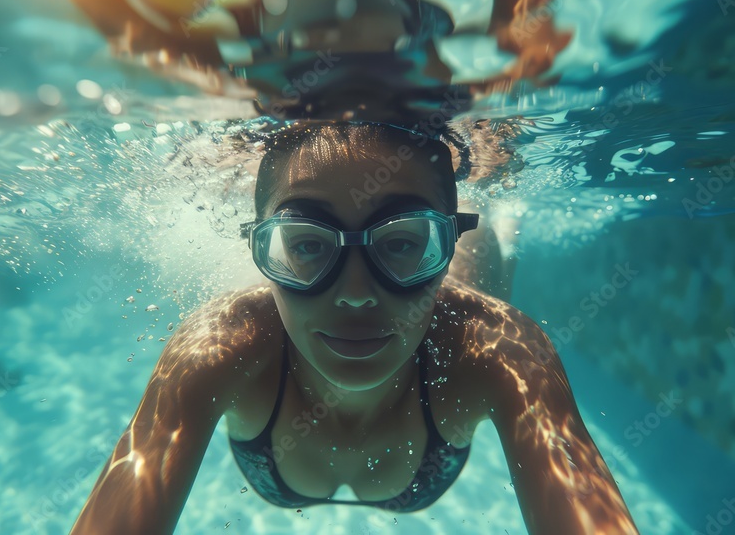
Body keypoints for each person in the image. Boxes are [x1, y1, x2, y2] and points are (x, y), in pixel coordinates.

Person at [69, 121, 638, 534]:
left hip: (463, 292)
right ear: (264, 248)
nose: (358, 295)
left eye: (403, 241)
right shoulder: (220, 344)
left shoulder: (498, 348)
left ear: (442, 237)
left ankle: (490, 230)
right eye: (308, 245)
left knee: (486, 274)